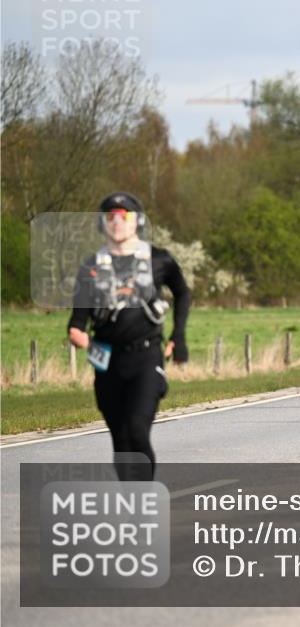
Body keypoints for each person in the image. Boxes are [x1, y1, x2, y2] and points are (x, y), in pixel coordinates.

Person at [67, 192, 191, 481]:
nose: (117, 221)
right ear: (102, 224)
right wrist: (94, 348)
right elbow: (76, 327)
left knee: (137, 429)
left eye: (125, 215)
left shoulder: (158, 259)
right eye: (110, 216)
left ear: (138, 222)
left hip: (146, 357)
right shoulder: (91, 268)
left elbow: (183, 292)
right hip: (107, 362)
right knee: (121, 443)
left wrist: (179, 336)